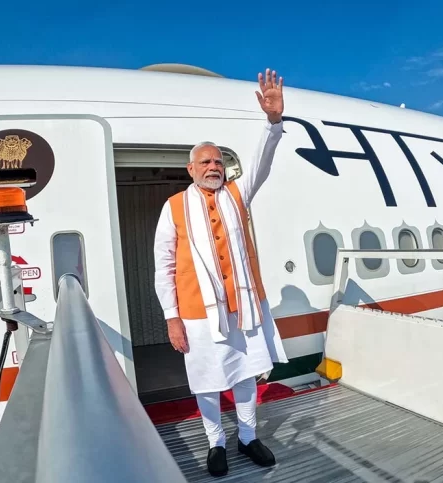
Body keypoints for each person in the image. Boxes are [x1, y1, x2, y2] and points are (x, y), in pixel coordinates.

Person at [153, 68, 289, 477]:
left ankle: (247, 436)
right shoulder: (173, 207)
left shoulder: (236, 193)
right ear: (191, 169)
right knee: (208, 381)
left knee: (245, 376)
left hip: (243, 307)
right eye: (205, 162)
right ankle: (215, 443)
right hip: (197, 314)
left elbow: (261, 163)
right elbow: (164, 265)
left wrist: (273, 122)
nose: (214, 166)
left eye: (218, 161)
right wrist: (171, 317)